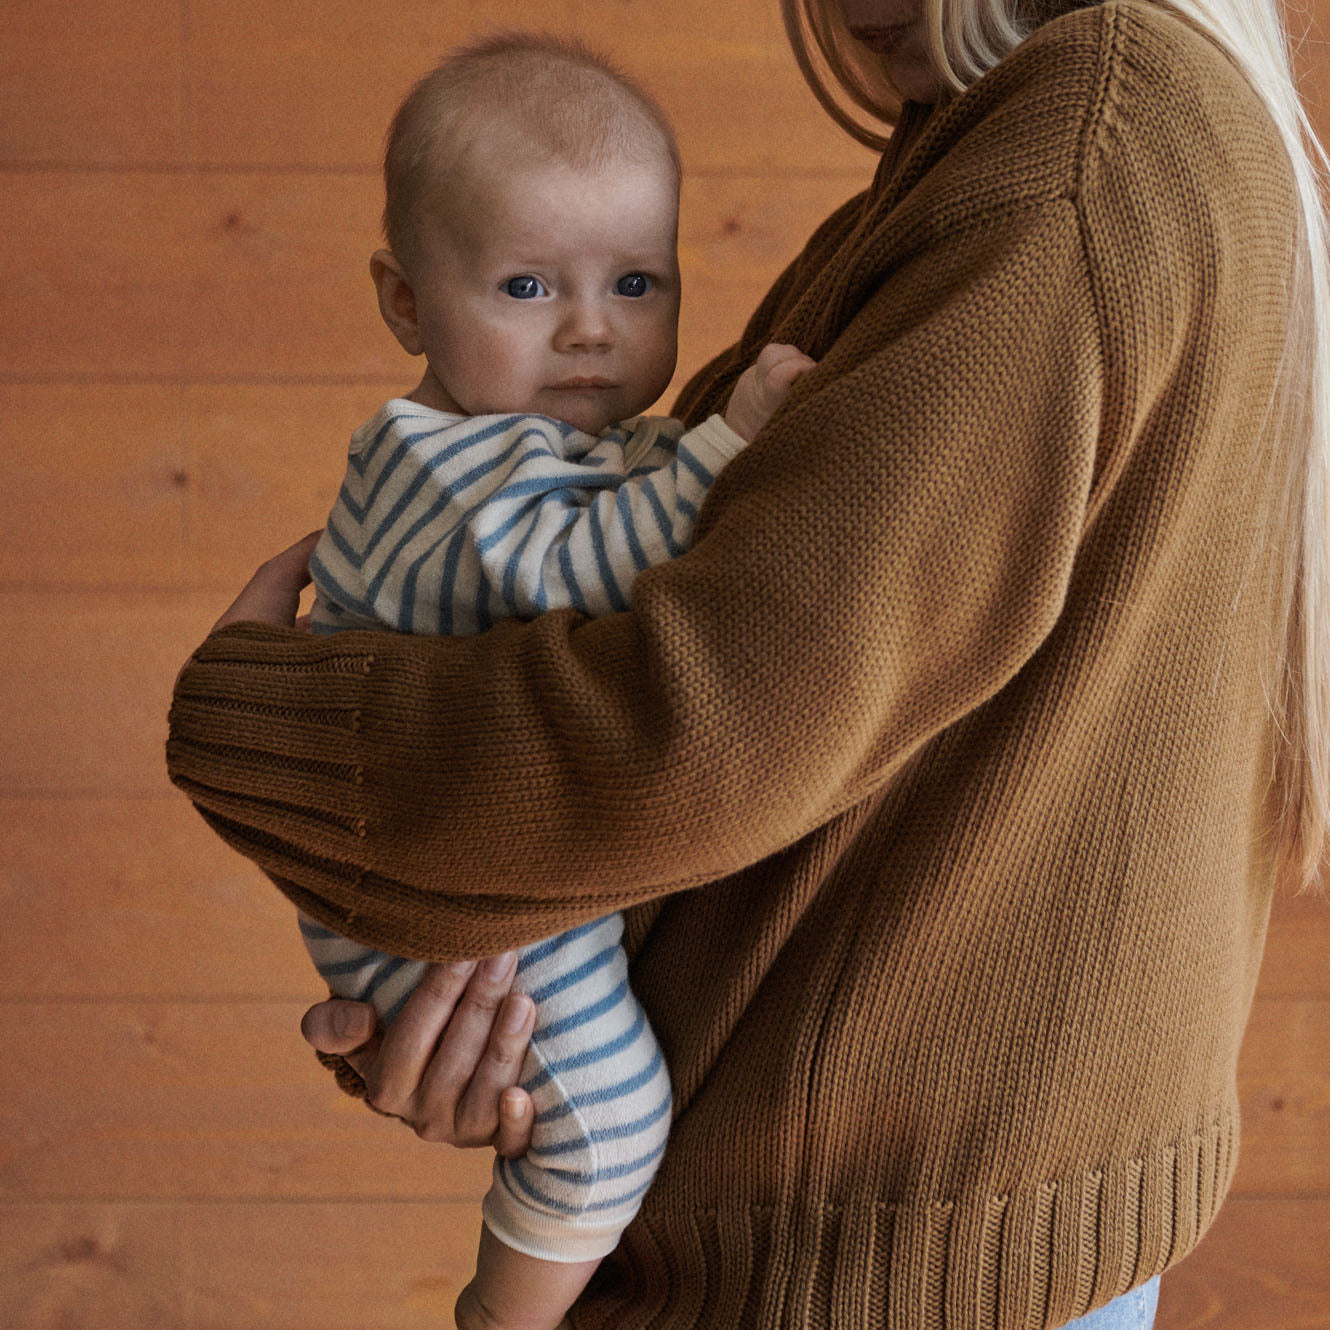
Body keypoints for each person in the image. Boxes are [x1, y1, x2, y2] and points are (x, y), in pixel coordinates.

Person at [167, 0, 1330, 1325]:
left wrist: (251, 724)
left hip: (878, 1262)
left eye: (631, 284)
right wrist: (481, 1014)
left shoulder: (1088, 141)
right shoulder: (1037, 145)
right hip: (870, 1232)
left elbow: (686, 727)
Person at [256, 32, 813, 1330]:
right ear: (405, 304)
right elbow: (588, 564)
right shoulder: (448, 467)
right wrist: (728, 447)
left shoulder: (533, 438)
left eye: (636, 280)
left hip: (452, 846)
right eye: (523, 286)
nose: (589, 330)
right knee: (607, 1117)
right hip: (432, 877)